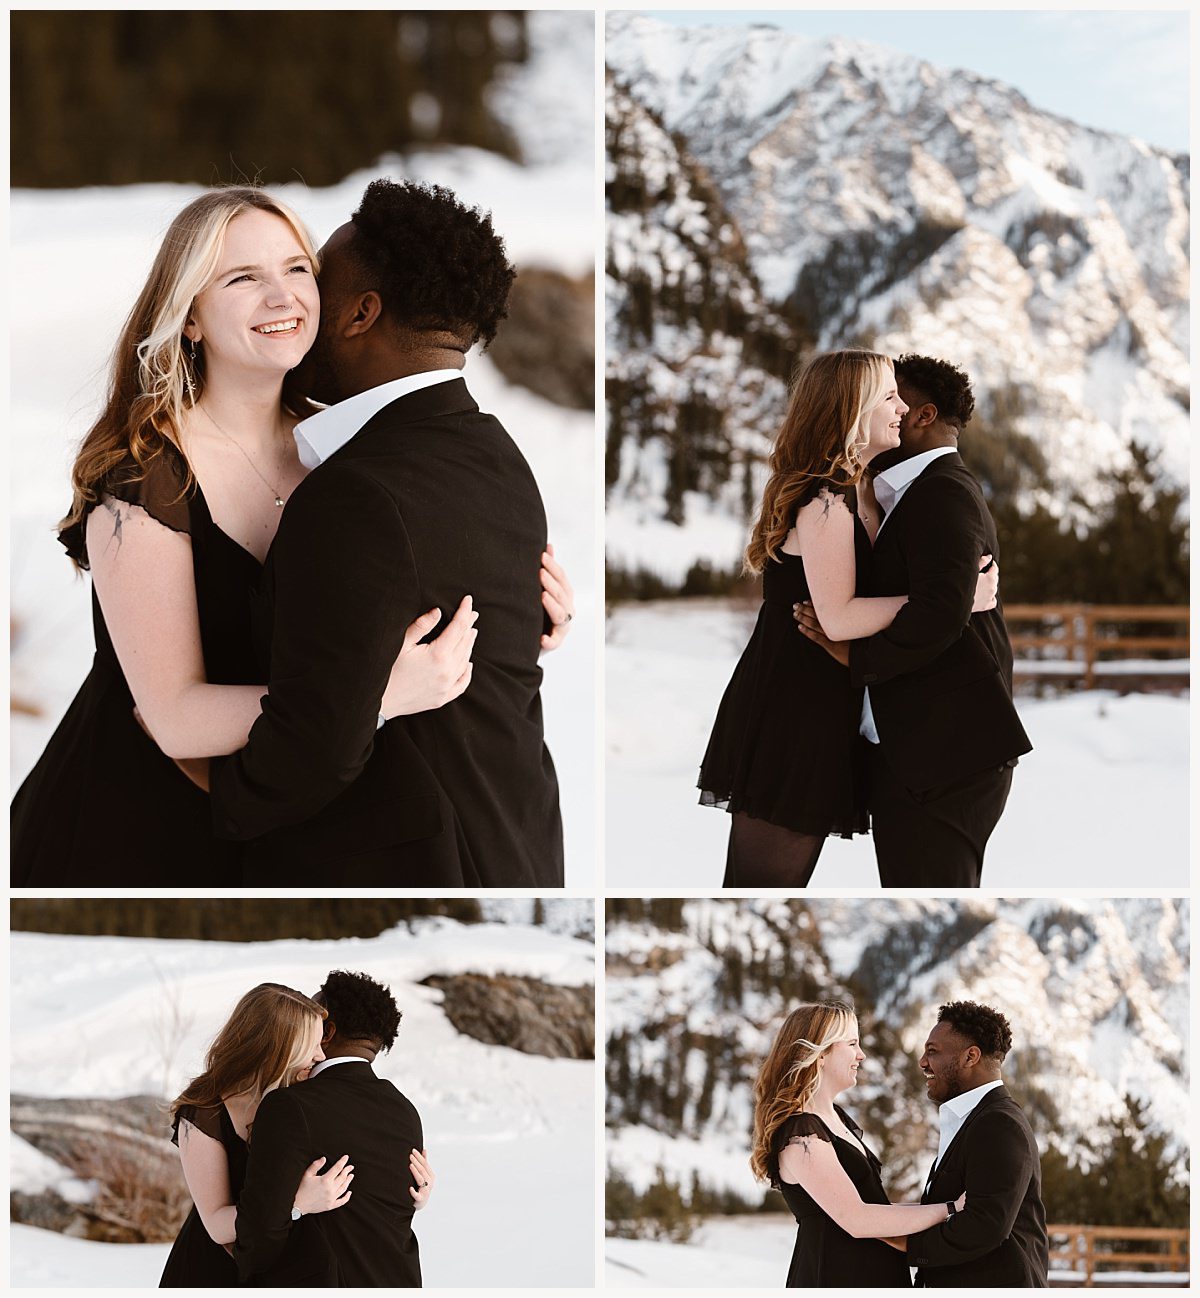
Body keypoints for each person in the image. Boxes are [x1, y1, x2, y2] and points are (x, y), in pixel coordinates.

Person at [10, 186, 573, 886]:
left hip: (278, 818)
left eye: (298, 269)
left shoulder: (347, 451)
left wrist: (517, 610)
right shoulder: (145, 482)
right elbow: (175, 719)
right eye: (243, 278)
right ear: (189, 318)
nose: (283, 297)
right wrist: (374, 696)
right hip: (141, 823)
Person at [207, 180, 565, 886]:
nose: (298, 306)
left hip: (415, 860)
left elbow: (312, 745)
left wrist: (223, 814)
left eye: (316, 280)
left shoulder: (353, 495)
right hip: (514, 845)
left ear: (360, 313)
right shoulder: (498, 455)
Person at [699, 350, 998, 887]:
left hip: (830, 700)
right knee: (760, 886)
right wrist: (961, 600)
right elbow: (836, 619)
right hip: (794, 705)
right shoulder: (827, 498)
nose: (900, 408)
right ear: (852, 409)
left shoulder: (864, 490)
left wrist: (948, 596)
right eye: (888, 396)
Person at [796, 354, 1032, 887]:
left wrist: (857, 657)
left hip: (950, 753)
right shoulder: (904, 493)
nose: (890, 408)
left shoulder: (942, 492)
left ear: (922, 416)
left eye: (895, 398)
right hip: (921, 748)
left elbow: (941, 610)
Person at [235, 970, 429, 1287]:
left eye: (312, 1014)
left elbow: (257, 1244)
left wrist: (294, 1208)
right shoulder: (405, 1111)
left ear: (326, 1032)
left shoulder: (289, 1107)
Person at [751, 1001, 964, 1288]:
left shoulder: (836, 1120)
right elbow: (857, 1218)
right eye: (851, 1044)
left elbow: (876, 1207)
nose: (861, 1055)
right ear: (821, 1052)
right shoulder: (801, 1134)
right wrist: (948, 1210)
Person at [159, 983, 355, 1287]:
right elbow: (215, 1223)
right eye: (311, 1045)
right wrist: (295, 1204)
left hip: (285, 1271)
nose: (320, 1056)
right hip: (215, 1272)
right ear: (278, 1046)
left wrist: (411, 1189)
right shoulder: (205, 1109)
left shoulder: (302, 1095)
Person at [908, 1001, 1048, 1287]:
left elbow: (984, 1225)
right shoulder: (976, 1120)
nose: (923, 1062)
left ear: (970, 1056)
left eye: (932, 1051)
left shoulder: (999, 1124)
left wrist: (903, 1243)